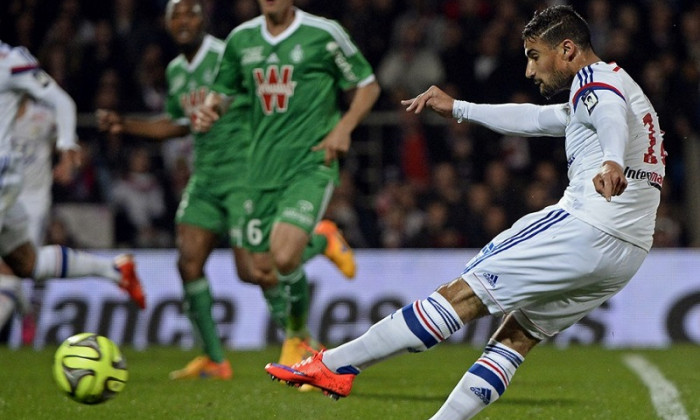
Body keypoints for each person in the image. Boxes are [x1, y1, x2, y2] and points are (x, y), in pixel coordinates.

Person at [265, 5, 665, 418]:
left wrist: (612, 161)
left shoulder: (594, 84)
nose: (530, 72)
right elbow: (538, 118)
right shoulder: (616, 83)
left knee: (460, 296)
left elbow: (609, 115)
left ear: (567, 49)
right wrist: (459, 108)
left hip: (587, 225)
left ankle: (334, 365)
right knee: (518, 336)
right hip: (628, 250)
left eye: (533, 56)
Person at [97, 0, 360, 380]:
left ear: (204, 20)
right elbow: (178, 123)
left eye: (191, 13)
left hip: (244, 175)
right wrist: (127, 125)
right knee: (188, 261)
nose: (184, 21)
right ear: (167, 24)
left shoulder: (232, 54)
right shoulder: (175, 71)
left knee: (256, 271)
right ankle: (215, 358)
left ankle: (320, 243)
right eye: (176, 15)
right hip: (204, 180)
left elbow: (272, 105)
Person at [195, 0, 380, 371]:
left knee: (281, 256)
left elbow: (367, 85)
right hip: (260, 171)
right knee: (258, 270)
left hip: (311, 163)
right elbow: (222, 90)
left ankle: (295, 337)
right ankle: (322, 240)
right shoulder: (241, 39)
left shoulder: (323, 34)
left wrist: (343, 128)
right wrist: (210, 108)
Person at [0, 41, 146, 341]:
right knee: (26, 263)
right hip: (10, 189)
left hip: (8, 184)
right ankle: (115, 270)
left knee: (10, 272)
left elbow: (62, 102)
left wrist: (67, 145)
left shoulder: (10, 60)